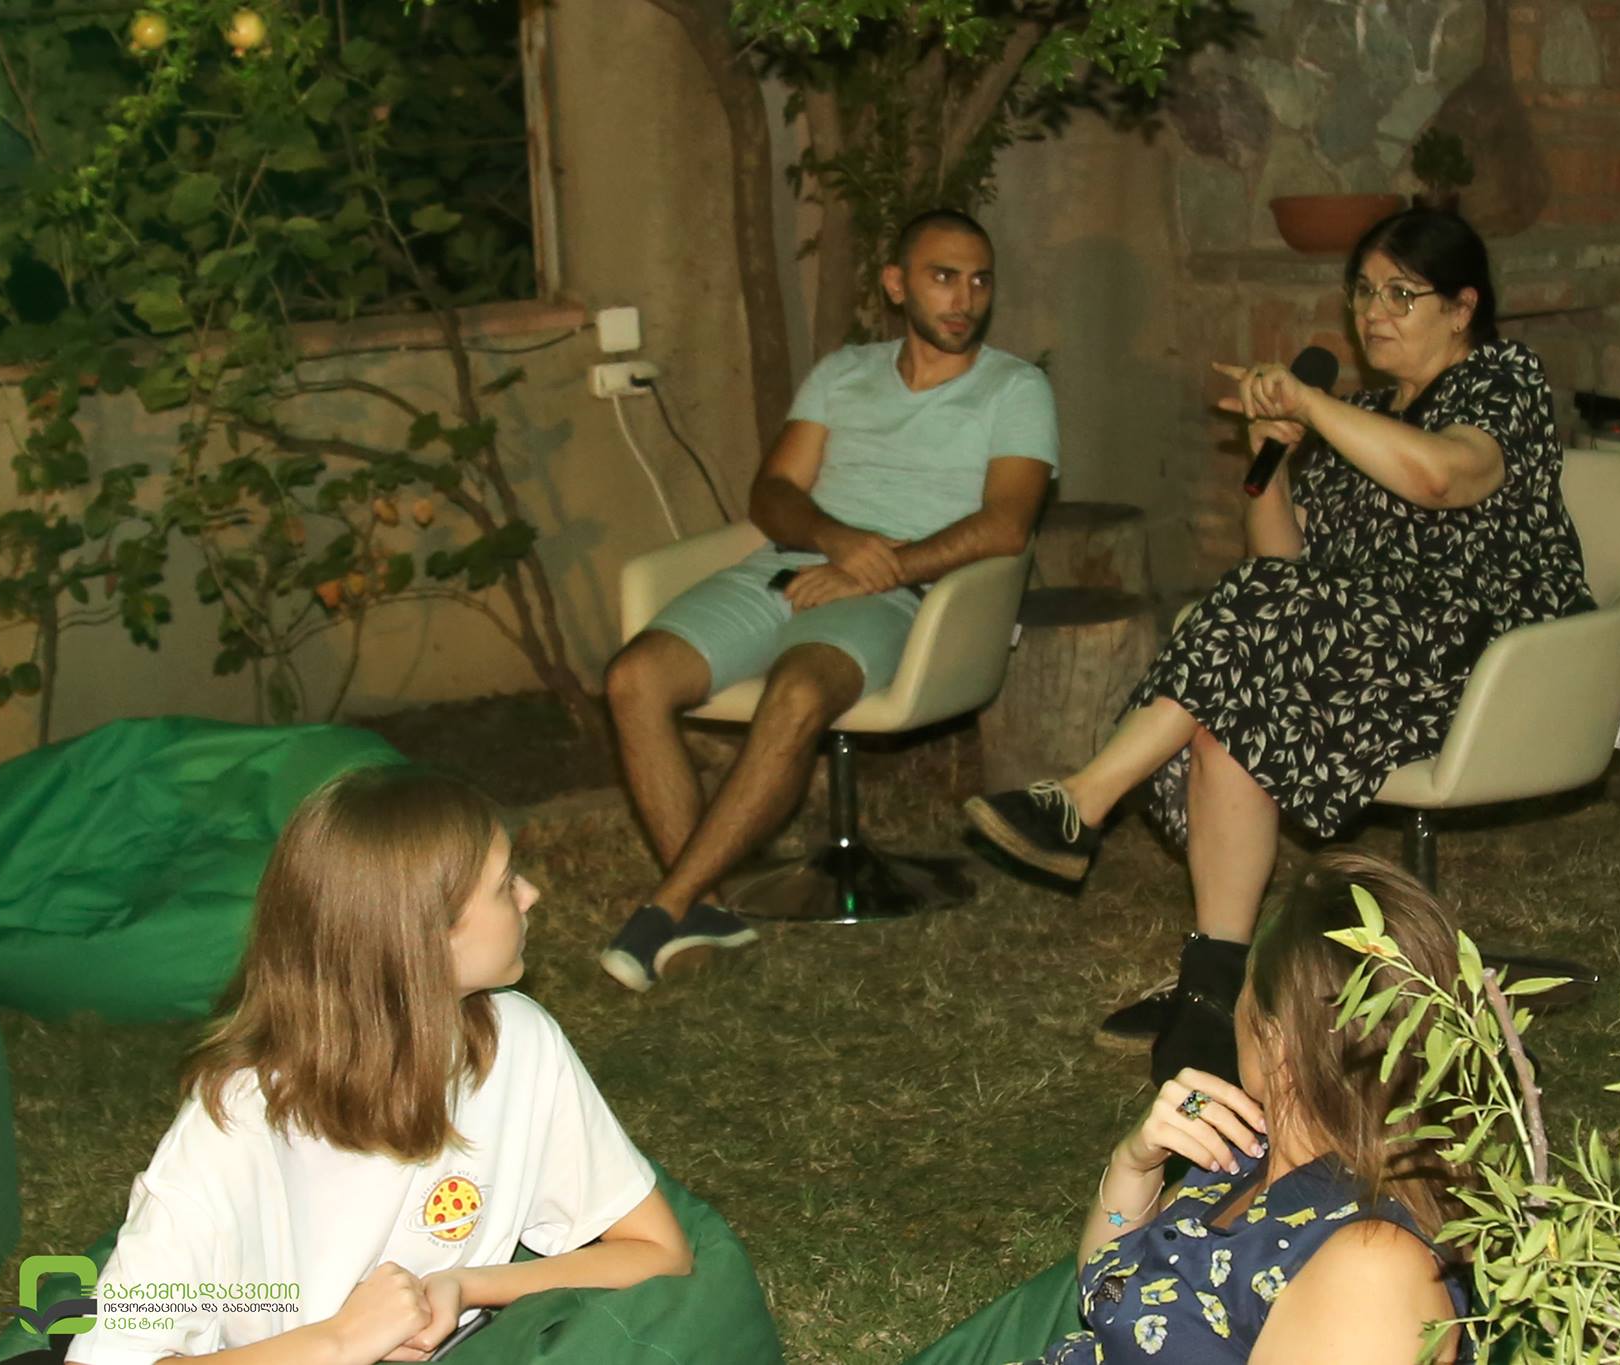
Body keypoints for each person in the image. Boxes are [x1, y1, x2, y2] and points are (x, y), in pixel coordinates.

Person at [965, 208, 1590, 1080]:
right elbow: (1281, 562)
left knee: (1245, 660)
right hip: (1365, 649)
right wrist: (1272, 461)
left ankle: (1086, 796)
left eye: (1401, 295)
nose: (1373, 313)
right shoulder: (1359, 414)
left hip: (1480, 658)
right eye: (1363, 291)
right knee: (1232, 716)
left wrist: (1310, 404)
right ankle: (1214, 991)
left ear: (1461, 308)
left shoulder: (1501, 379)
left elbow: (1442, 477)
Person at [60, 768, 691, 1365]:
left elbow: (658, 1250)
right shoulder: (239, 1119)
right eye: (505, 885)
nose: (532, 894)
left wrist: (465, 1284)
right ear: (425, 936)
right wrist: (339, 1341)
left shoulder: (519, 1043)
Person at [600, 208, 1059, 992]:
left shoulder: (1015, 388)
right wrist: (836, 540)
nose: (965, 299)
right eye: (943, 277)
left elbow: (1006, 523)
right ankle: (706, 908)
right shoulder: (843, 373)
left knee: (799, 689)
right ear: (896, 285)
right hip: (791, 565)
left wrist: (876, 569)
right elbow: (773, 493)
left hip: (910, 593)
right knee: (633, 678)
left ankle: (663, 908)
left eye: (980, 280)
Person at [1024, 853, 1474, 1365]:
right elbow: (1113, 1298)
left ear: (1276, 1041)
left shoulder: (1373, 1267)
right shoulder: (1246, 1154)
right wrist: (1135, 1164)